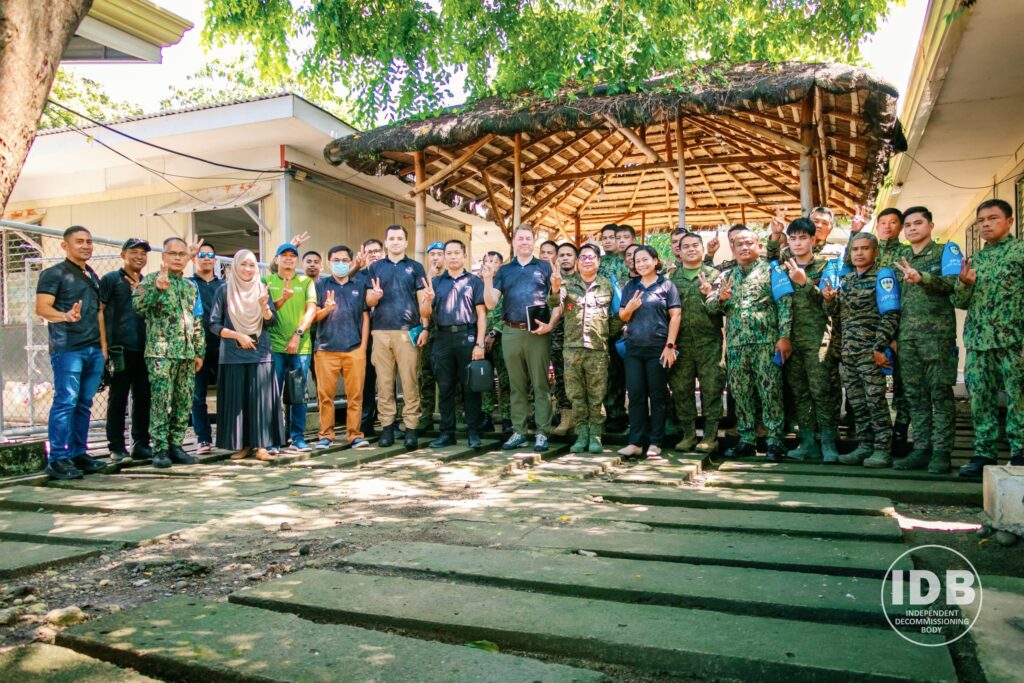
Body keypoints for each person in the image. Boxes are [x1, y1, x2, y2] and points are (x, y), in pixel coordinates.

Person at [705, 227, 792, 461]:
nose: (744, 247)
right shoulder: (725, 276)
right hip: (736, 345)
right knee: (741, 392)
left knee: (770, 392)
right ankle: (747, 439)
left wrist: (784, 337)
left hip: (766, 343)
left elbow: (784, 304)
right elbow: (710, 306)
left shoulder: (773, 270)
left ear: (758, 246)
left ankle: (774, 441)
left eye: (749, 243)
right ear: (733, 248)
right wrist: (721, 298)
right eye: (739, 244)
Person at [954, 199, 1024, 480]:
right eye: (981, 220)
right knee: (980, 400)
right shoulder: (975, 260)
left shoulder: (1020, 252)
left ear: (1010, 221)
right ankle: (983, 454)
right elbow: (960, 302)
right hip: (979, 342)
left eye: (993, 218)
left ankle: (1020, 453)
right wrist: (964, 284)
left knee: (1019, 400)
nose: (985, 224)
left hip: (1014, 341)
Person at [35, 226, 108, 479]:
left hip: (93, 350)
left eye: (89, 241)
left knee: (84, 404)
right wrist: (65, 316)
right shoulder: (53, 274)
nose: (86, 246)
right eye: (79, 241)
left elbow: (99, 313)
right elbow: (42, 308)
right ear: (65, 246)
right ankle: (57, 458)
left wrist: (103, 347)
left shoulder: (92, 274)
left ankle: (78, 453)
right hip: (68, 349)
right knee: (66, 402)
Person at [822, 233, 899, 467]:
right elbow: (837, 316)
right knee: (857, 402)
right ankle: (865, 446)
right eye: (855, 249)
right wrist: (829, 301)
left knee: (875, 401)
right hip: (849, 353)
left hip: (871, 352)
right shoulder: (846, 281)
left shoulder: (883, 277)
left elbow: (890, 315)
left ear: (875, 252)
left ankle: (883, 449)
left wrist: (880, 347)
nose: (859, 253)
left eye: (865, 248)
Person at [890, 207, 957, 473]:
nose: (912, 228)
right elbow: (892, 300)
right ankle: (921, 448)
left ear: (930, 225)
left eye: (918, 223)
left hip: (937, 337)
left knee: (940, 395)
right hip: (907, 338)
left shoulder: (945, 252)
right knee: (915, 396)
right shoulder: (901, 258)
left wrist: (923, 278)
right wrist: (893, 336)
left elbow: (953, 285)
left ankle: (941, 452)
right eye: (908, 225)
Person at [483, 224, 559, 452]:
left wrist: (555, 291)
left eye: (528, 238)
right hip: (511, 331)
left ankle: (542, 432)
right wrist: (487, 279)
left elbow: (557, 302)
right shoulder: (505, 270)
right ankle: (519, 431)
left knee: (540, 384)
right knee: (517, 385)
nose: (524, 242)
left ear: (533, 242)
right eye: (520, 238)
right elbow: (491, 303)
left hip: (537, 331)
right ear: (514, 242)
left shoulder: (544, 267)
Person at [133, 237, 205, 469]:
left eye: (182, 254)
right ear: (163, 256)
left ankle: (176, 445)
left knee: (184, 401)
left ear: (188, 258)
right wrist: (157, 290)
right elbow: (138, 306)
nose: (177, 258)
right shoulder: (151, 280)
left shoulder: (190, 286)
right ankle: (160, 448)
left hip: (186, 354)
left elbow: (196, 321)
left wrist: (199, 351)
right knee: (161, 401)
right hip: (160, 353)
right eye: (172, 253)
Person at [207, 250, 282, 461]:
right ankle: (243, 446)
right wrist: (237, 335)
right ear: (235, 266)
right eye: (243, 264)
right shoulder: (224, 290)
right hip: (233, 355)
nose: (248, 269)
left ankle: (262, 446)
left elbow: (271, 322)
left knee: (261, 402)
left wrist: (264, 307)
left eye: (252, 265)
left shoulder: (262, 290)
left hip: (260, 354)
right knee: (238, 403)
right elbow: (213, 324)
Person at [551, 243, 620, 453]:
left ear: (598, 261)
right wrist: (555, 288)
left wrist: (605, 333)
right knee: (576, 395)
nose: (587, 261)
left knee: (597, 395)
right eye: (583, 257)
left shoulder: (608, 285)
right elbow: (553, 303)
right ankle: (581, 435)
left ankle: (596, 435)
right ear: (578, 262)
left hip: (598, 350)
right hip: (571, 349)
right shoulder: (567, 283)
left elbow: (619, 315)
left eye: (591, 257)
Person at [366, 225, 430, 449]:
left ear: (406, 242)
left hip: (407, 332)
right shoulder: (375, 268)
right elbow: (368, 301)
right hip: (381, 331)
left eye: (399, 238)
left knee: (410, 381)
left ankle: (411, 428)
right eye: (391, 238)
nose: (395, 242)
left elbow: (423, 301)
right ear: (385, 242)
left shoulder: (415, 267)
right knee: (384, 383)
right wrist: (375, 296)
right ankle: (387, 428)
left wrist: (425, 327)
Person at [779, 218, 838, 462]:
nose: (797, 243)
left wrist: (804, 282)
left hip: (817, 340)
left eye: (803, 237)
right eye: (793, 238)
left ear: (814, 239)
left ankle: (829, 444)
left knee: (822, 391)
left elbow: (830, 304)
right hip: (790, 342)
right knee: (800, 393)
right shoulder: (781, 269)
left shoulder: (826, 266)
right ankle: (808, 443)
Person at [421, 239, 486, 449]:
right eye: (448, 253)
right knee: (445, 387)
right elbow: (425, 314)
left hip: (467, 336)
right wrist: (428, 299)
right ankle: (446, 433)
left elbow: (481, 315)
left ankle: (473, 432)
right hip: (442, 338)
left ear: (464, 255)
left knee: (470, 387)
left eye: (457, 252)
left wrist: (480, 344)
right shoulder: (437, 282)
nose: (452, 256)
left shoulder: (474, 282)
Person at [618, 246, 681, 458]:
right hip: (634, 349)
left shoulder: (666, 285)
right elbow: (623, 316)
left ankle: (655, 442)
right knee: (635, 395)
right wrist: (630, 308)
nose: (641, 264)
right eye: (638, 261)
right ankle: (636, 442)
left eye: (645, 259)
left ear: (655, 261)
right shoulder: (631, 286)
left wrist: (670, 345)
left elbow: (675, 315)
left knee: (657, 395)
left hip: (658, 349)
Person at [668, 231, 725, 454]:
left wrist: (710, 294)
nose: (691, 249)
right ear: (679, 252)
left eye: (695, 245)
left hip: (709, 343)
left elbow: (723, 309)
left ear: (702, 249)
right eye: (686, 246)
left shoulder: (715, 275)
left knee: (712, 388)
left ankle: (710, 436)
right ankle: (689, 435)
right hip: (680, 344)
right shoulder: (671, 279)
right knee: (682, 389)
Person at [100, 237, 152, 464]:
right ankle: (116, 447)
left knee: (144, 397)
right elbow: (99, 311)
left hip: (145, 349)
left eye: (143, 253)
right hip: (119, 349)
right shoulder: (111, 279)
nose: (139, 256)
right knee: (118, 398)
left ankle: (141, 444)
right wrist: (104, 345)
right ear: (123, 254)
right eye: (134, 252)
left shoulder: (148, 283)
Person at [312, 246, 370, 449]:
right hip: (325, 349)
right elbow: (313, 316)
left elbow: (365, 317)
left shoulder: (359, 285)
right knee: (325, 397)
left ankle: (355, 435)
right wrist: (326, 310)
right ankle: (325, 435)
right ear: (329, 263)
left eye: (345, 260)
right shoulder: (320, 285)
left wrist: (363, 347)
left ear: (351, 262)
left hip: (354, 349)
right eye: (336, 260)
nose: (341, 264)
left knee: (355, 396)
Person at [264, 242, 317, 453]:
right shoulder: (266, 281)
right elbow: (263, 310)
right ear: (276, 259)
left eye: (292, 255)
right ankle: (273, 439)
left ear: (297, 260)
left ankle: (298, 438)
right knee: (272, 394)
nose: (288, 258)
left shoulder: (306, 282)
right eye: (284, 255)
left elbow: (311, 311)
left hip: (300, 347)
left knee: (298, 394)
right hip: (274, 346)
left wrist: (298, 335)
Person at [874, 207, 910, 452]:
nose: (887, 227)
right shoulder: (869, 251)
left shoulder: (906, 254)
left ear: (901, 226)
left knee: (903, 382)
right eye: (883, 222)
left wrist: (893, 335)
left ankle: (900, 431)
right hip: (869, 328)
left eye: (893, 222)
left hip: (900, 327)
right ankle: (872, 431)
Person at [190, 244, 223, 454]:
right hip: (197, 348)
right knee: (197, 395)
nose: (206, 258)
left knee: (227, 393)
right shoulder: (189, 284)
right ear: (194, 259)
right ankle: (203, 439)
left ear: (215, 259)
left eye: (210, 254)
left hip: (223, 345)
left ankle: (228, 435)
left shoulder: (224, 285)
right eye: (201, 254)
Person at [354, 239, 384, 435]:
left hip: (387, 332)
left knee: (387, 379)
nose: (374, 254)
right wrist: (355, 267)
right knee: (366, 380)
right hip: (363, 334)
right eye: (369, 251)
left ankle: (389, 422)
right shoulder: (358, 276)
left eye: (377, 250)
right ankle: (366, 423)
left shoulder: (389, 272)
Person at [480, 251, 512, 433]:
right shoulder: (479, 285)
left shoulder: (506, 285)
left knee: (505, 379)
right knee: (484, 379)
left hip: (502, 338)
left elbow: (509, 311)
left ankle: (507, 417)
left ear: (501, 265)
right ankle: (486, 415)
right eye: (487, 261)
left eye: (494, 261)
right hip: (481, 340)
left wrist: (494, 332)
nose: (490, 264)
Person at [549, 242, 578, 437]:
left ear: (576, 258)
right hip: (558, 338)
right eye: (562, 255)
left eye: (569, 255)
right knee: (561, 378)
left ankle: (583, 419)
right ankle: (566, 418)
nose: (565, 258)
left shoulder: (583, 279)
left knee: (582, 380)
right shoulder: (553, 281)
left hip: (580, 339)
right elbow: (552, 304)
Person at [417, 241, 446, 432]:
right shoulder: (424, 279)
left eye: (439, 254)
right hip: (428, 332)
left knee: (449, 377)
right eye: (432, 254)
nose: (435, 258)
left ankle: (451, 416)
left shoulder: (451, 277)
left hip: (446, 333)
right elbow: (422, 308)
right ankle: (426, 416)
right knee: (426, 375)